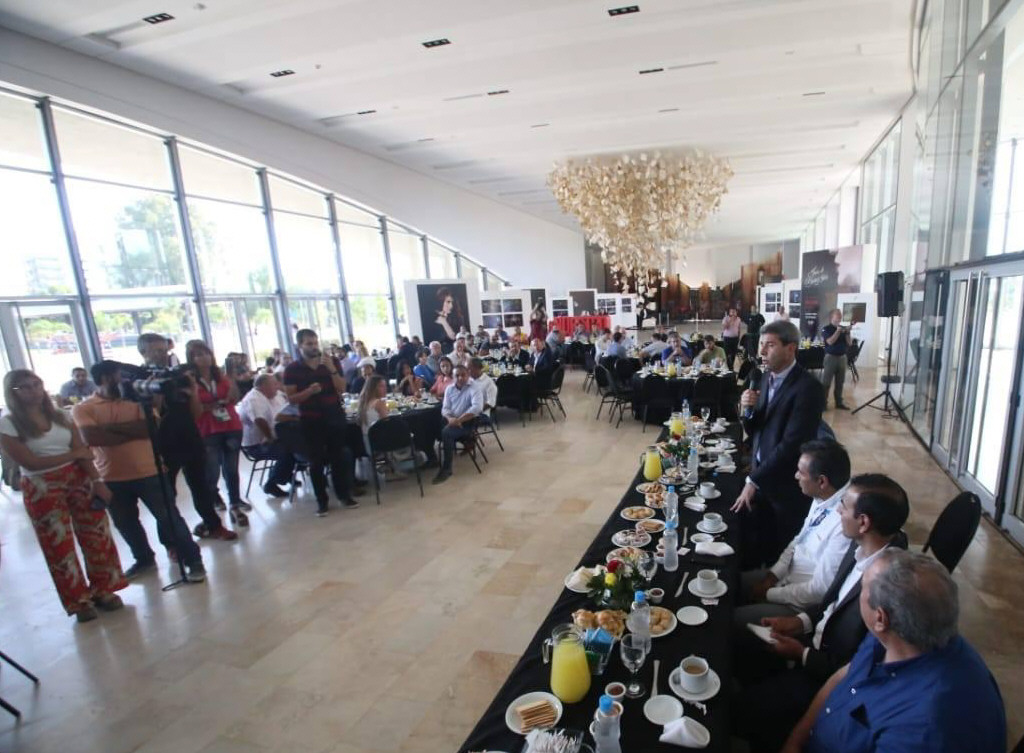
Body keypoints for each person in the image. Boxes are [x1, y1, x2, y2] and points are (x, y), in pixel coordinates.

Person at [733, 474, 911, 753]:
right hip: (813, 643)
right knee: (740, 651)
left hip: (823, 677)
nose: (837, 511)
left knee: (736, 711)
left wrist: (801, 654)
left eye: (844, 506)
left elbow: (856, 667)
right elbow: (832, 602)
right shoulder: (861, 546)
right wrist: (798, 622)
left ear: (864, 522)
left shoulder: (886, 587)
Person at [781, 550, 1006, 753]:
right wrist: (794, 741)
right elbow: (843, 677)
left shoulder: (925, 729)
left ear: (880, 618)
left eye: (862, 588)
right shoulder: (902, 632)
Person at [1, 370, 129, 622]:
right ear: (13, 393)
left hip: (78, 477)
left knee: (97, 535)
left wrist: (96, 480)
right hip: (41, 484)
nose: (33, 391)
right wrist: (74, 455)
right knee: (58, 544)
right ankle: (78, 600)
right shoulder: (8, 423)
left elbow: (82, 450)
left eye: (36, 384)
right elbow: (31, 462)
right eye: (25, 387)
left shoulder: (61, 415)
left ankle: (104, 589)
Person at [72, 360, 209, 586]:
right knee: (125, 523)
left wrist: (107, 429)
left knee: (170, 519)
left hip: (150, 472)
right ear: (105, 379)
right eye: (120, 376)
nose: (127, 381)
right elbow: (92, 437)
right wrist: (130, 430)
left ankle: (194, 561)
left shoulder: (138, 401)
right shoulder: (83, 408)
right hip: (111, 476)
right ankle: (143, 559)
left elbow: (149, 429)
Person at [732, 320, 825, 567]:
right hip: (761, 473)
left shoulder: (808, 388)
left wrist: (753, 480)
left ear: (790, 348)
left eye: (770, 345)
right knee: (755, 540)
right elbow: (755, 429)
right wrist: (747, 410)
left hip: (785, 486)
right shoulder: (763, 378)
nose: (762, 351)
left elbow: (792, 445)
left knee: (780, 551)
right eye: (761, 344)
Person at [735, 439, 852, 624]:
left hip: (798, 606)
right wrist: (772, 576)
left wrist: (769, 593)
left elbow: (818, 590)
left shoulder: (844, 522)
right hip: (784, 579)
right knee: (725, 583)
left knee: (729, 621)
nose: (796, 476)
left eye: (801, 472)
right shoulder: (823, 495)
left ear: (822, 481)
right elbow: (799, 541)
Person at [138, 333, 236, 542]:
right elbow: (153, 414)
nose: (162, 355)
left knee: (201, 485)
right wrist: (157, 391)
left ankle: (213, 525)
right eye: (156, 351)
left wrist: (192, 391)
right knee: (167, 495)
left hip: (189, 436)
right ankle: (171, 542)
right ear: (143, 352)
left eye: (165, 350)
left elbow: (196, 413)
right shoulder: (140, 381)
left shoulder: (177, 375)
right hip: (163, 442)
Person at [283, 328, 360, 516]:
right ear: (300, 346)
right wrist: (308, 392)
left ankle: (344, 495)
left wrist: (332, 369)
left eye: (315, 342)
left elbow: (342, 387)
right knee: (316, 462)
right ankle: (322, 501)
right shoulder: (292, 369)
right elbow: (291, 398)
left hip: (334, 415)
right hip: (311, 419)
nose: (313, 347)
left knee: (338, 457)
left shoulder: (331, 362)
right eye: (309, 343)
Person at [187, 340, 249, 527]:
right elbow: (194, 409)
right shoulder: (190, 380)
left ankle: (235, 504)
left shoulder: (221, 376)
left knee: (231, 469)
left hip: (230, 425)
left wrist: (232, 381)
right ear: (191, 359)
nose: (204, 358)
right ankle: (213, 501)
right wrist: (209, 404)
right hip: (207, 429)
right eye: (198, 355)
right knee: (212, 471)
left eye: (206, 353)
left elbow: (235, 398)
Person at [238, 372, 295, 498]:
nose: (277, 386)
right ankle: (271, 484)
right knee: (289, 452)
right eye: (274, 384)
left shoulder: (276, 394)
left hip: (281, 436)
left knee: (300, 446)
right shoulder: (253, 399)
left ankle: (287, 475)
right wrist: (270, 437)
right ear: (263, 386)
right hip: (257, 444)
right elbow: (259, 420)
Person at [432, 364, 483, 485]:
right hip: (452, 420)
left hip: (468, 423)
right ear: (453, 376)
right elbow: (445, 408)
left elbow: (477, 408)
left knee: (446, 433)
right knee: (430, 425)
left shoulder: (474, 387)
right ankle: (430, 459)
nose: (460, 378)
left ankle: (447, 468)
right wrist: (450, 419)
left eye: (463, 375)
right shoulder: (449, 389)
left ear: (468, 375)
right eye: (457, 375)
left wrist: (459, 420)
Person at [820, 308, 852, 410]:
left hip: (842, 358)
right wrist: (838, 332)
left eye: (840, 315)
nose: (840, 316)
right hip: (831, 358)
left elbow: (849, 343)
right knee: (826, 382)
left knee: (840, 382)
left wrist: (847, 333)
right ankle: (823, 403)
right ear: (831, 317)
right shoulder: (826, 329)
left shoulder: (843, 329)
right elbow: (830, 342)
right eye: (837, 314)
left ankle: (839, 402)